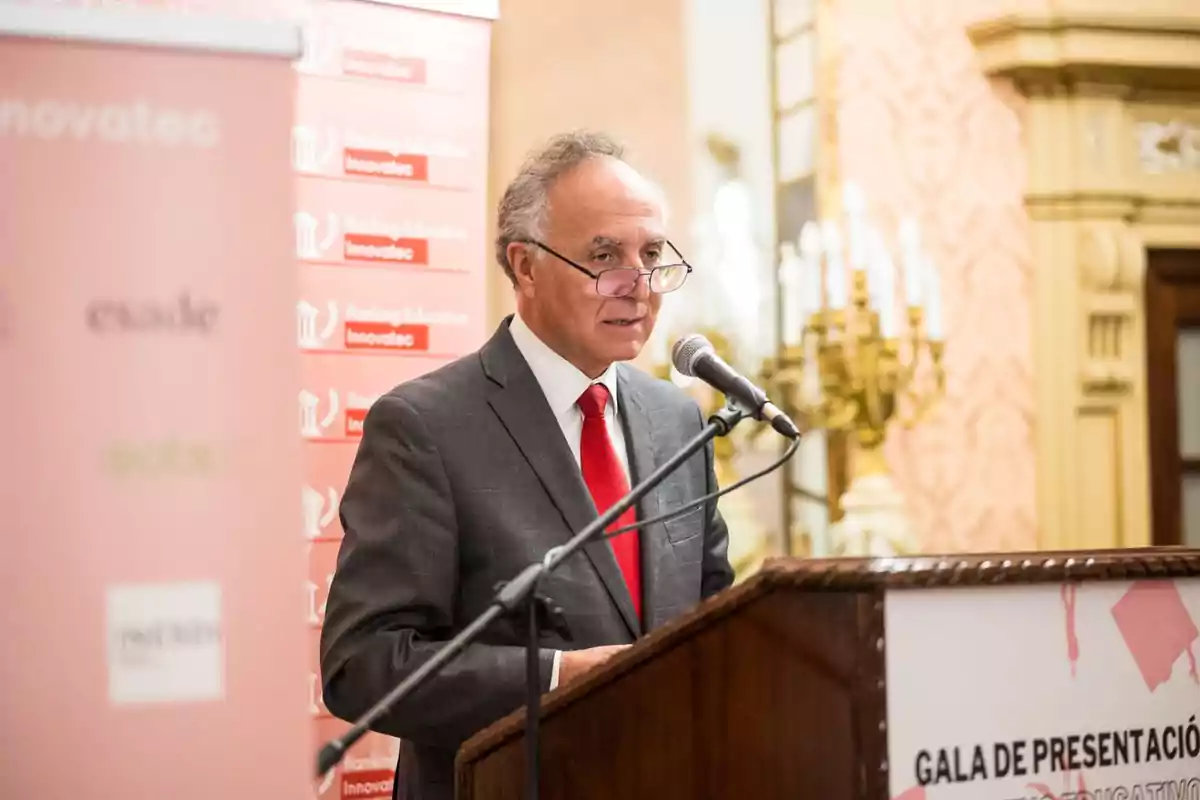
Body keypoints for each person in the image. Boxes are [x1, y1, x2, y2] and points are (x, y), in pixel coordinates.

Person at [319, 131, 735, 800]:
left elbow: (719, 621)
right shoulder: (425, 427)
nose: (639, 285)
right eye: (605, 256)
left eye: (652, 255)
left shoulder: (677, 420)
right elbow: (363, 666)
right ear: (527, 266)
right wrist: (554, 679)